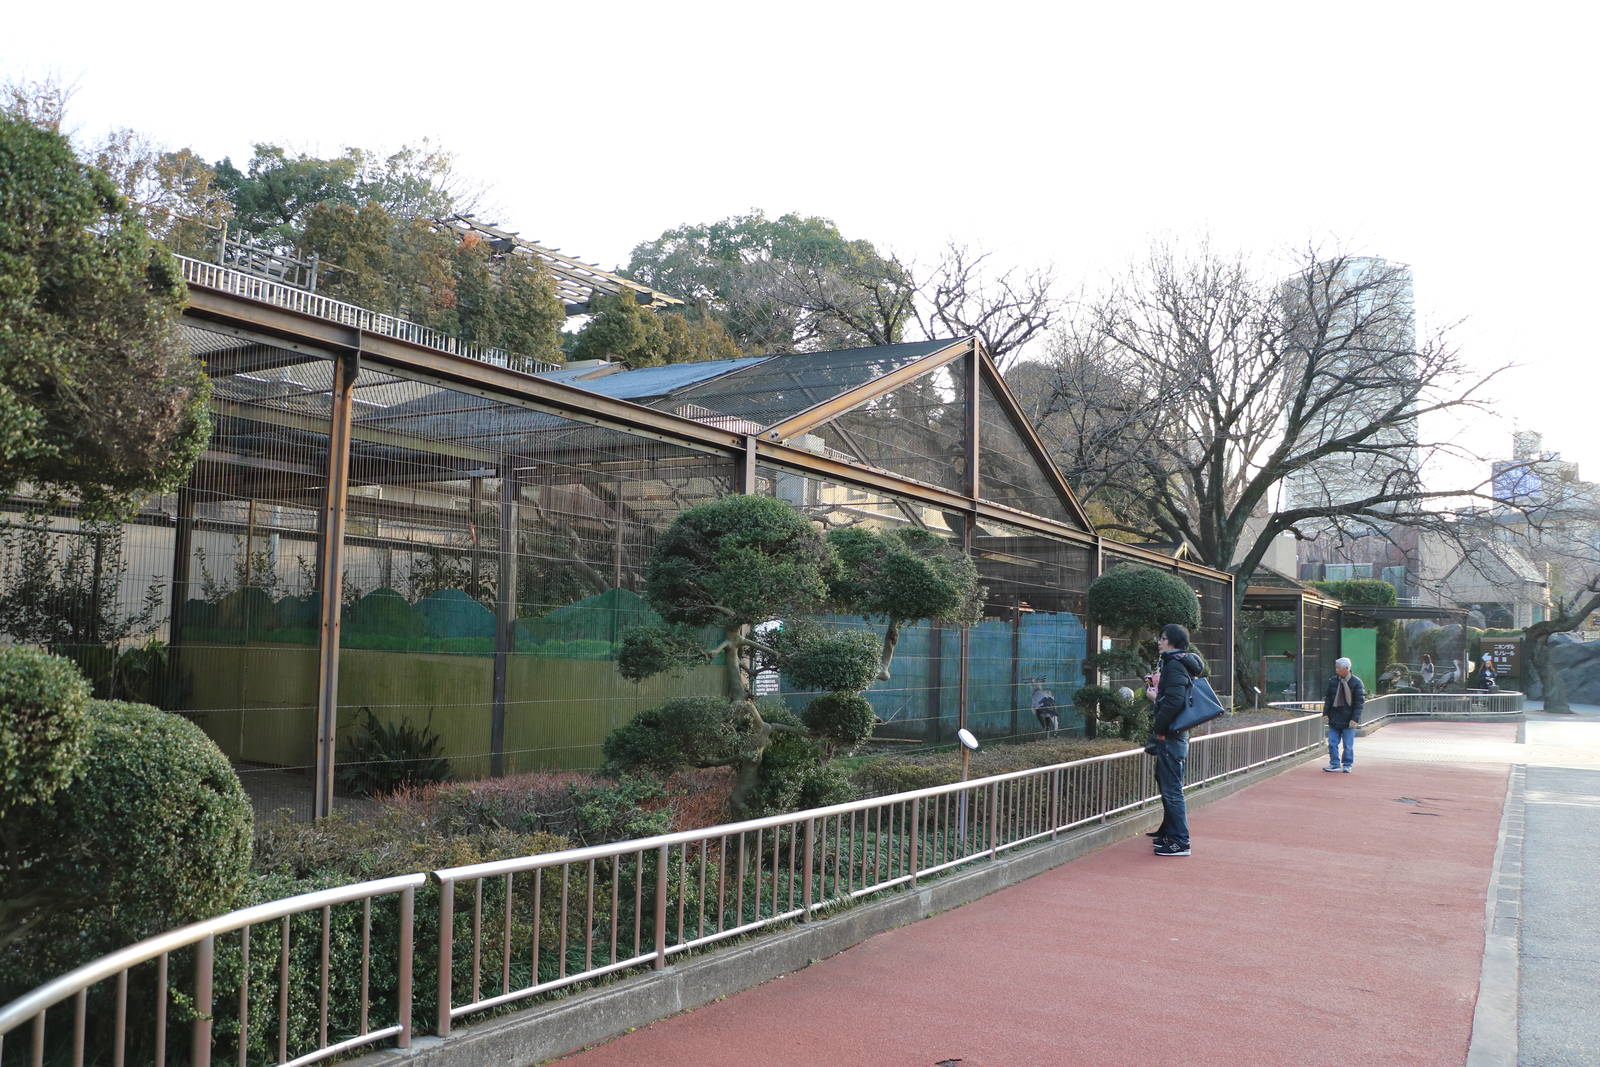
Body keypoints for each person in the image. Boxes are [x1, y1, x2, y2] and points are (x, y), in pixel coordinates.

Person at [1146, 622, 1206, 857]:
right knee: (1168, 783)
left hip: (1171, 735)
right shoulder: (1179, 664)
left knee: (1172, 789)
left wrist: (1159, 726)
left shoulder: (1175, 665)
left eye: (1162, 638)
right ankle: (1170, 833)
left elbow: (1173, 702)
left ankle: (1180, 841)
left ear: (1171, 641)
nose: (1159, 642)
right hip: (1175, 734)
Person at [1322, 657, 1365, 772]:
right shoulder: (1333, 681)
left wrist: (1355, 719)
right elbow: (1328, 699)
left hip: (1349, 719)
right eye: (1336, 667)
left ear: (1346, 668)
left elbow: (1359, 703)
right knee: (1332, 743)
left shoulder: (1356, 682)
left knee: (1348, 745)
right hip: (1334, 718)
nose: (1336, 670)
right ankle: (1334, 763)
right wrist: (1325, 713)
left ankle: (1347, 764)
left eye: (1338, 668)